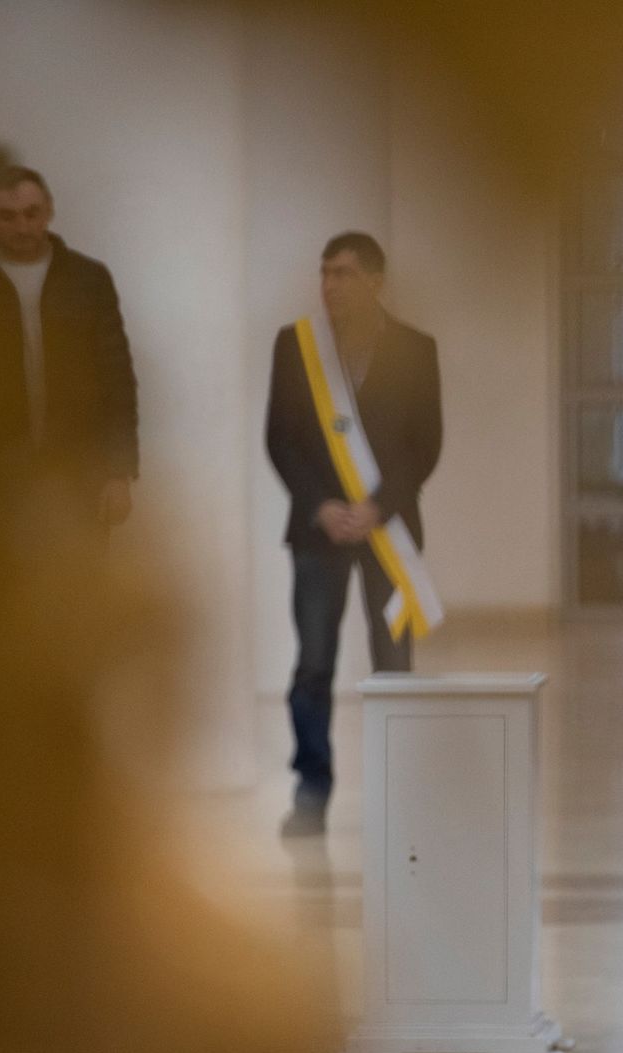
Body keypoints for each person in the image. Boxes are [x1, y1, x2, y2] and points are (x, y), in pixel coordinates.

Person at [266, 232, 442, 838]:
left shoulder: (416, 349)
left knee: (394, 666)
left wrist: (377, 506)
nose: (330, 285)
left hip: (389, 534)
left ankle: (400, 796)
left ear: (375, 281)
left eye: (343, 273)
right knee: (314, 665)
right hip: (319, 533)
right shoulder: (296, 346)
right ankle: (310, 796)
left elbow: (426, 445)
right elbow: (280, 438)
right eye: (325, 273)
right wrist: (320, 506)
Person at [0, 165, 137, 527]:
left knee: (79, 564)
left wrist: (119, 474)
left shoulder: (88, 280)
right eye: (7, 216)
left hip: (78, 471)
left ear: (49, 210)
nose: (22, 227)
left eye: (31, 213)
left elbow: (116, 379)